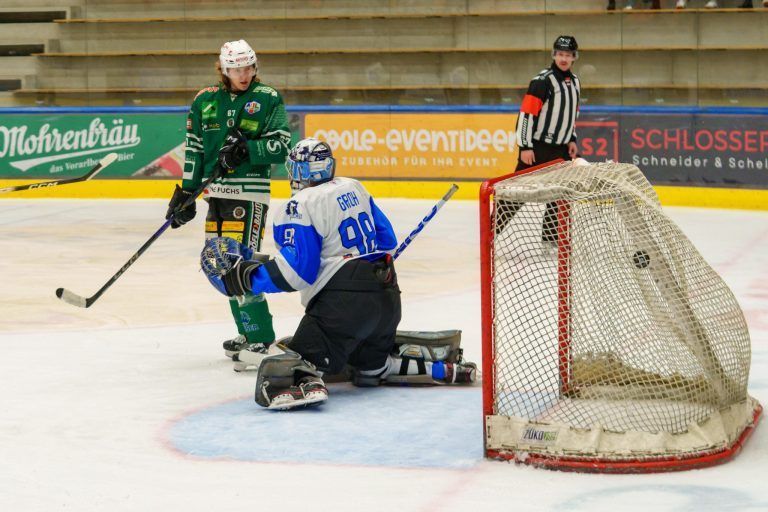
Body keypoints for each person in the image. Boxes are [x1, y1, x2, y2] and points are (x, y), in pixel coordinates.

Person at [200, 138, 477, 410]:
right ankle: (443, 370)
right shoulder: (353, 186)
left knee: (297, 362)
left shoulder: (299, 204)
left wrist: (246, 278)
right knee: (371, 370)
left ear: (297, 172)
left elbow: (297, 274)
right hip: (387, 299)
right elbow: (387, 239)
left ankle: (308, 380)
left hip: (340, 310)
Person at [166, 40, 291, 358]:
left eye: (248, 67)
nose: (243, 74)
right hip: (215, 195)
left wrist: (248, 149)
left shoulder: (267, 98)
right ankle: (246, 331)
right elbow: (194, 147)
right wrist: (185, 192)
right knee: (221, 265)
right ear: (223, 69)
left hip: (249, 195)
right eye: (236, 69)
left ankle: (261, 337)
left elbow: (281, 146)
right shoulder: (205, 100)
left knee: (241, 265)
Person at [501, 36, 582, 246]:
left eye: (568, 55)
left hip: (562, 150)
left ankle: (550, 239)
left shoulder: (575, 82)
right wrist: (525, 146)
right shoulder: (542, 81)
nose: (564, 58)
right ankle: (491, 232)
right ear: (554, 55)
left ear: (574, 57)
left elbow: (572, 113)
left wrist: (571, 138)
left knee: (559, 195)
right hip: (537, 149)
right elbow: (526, 116)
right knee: (516, 194)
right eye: (560, 54)